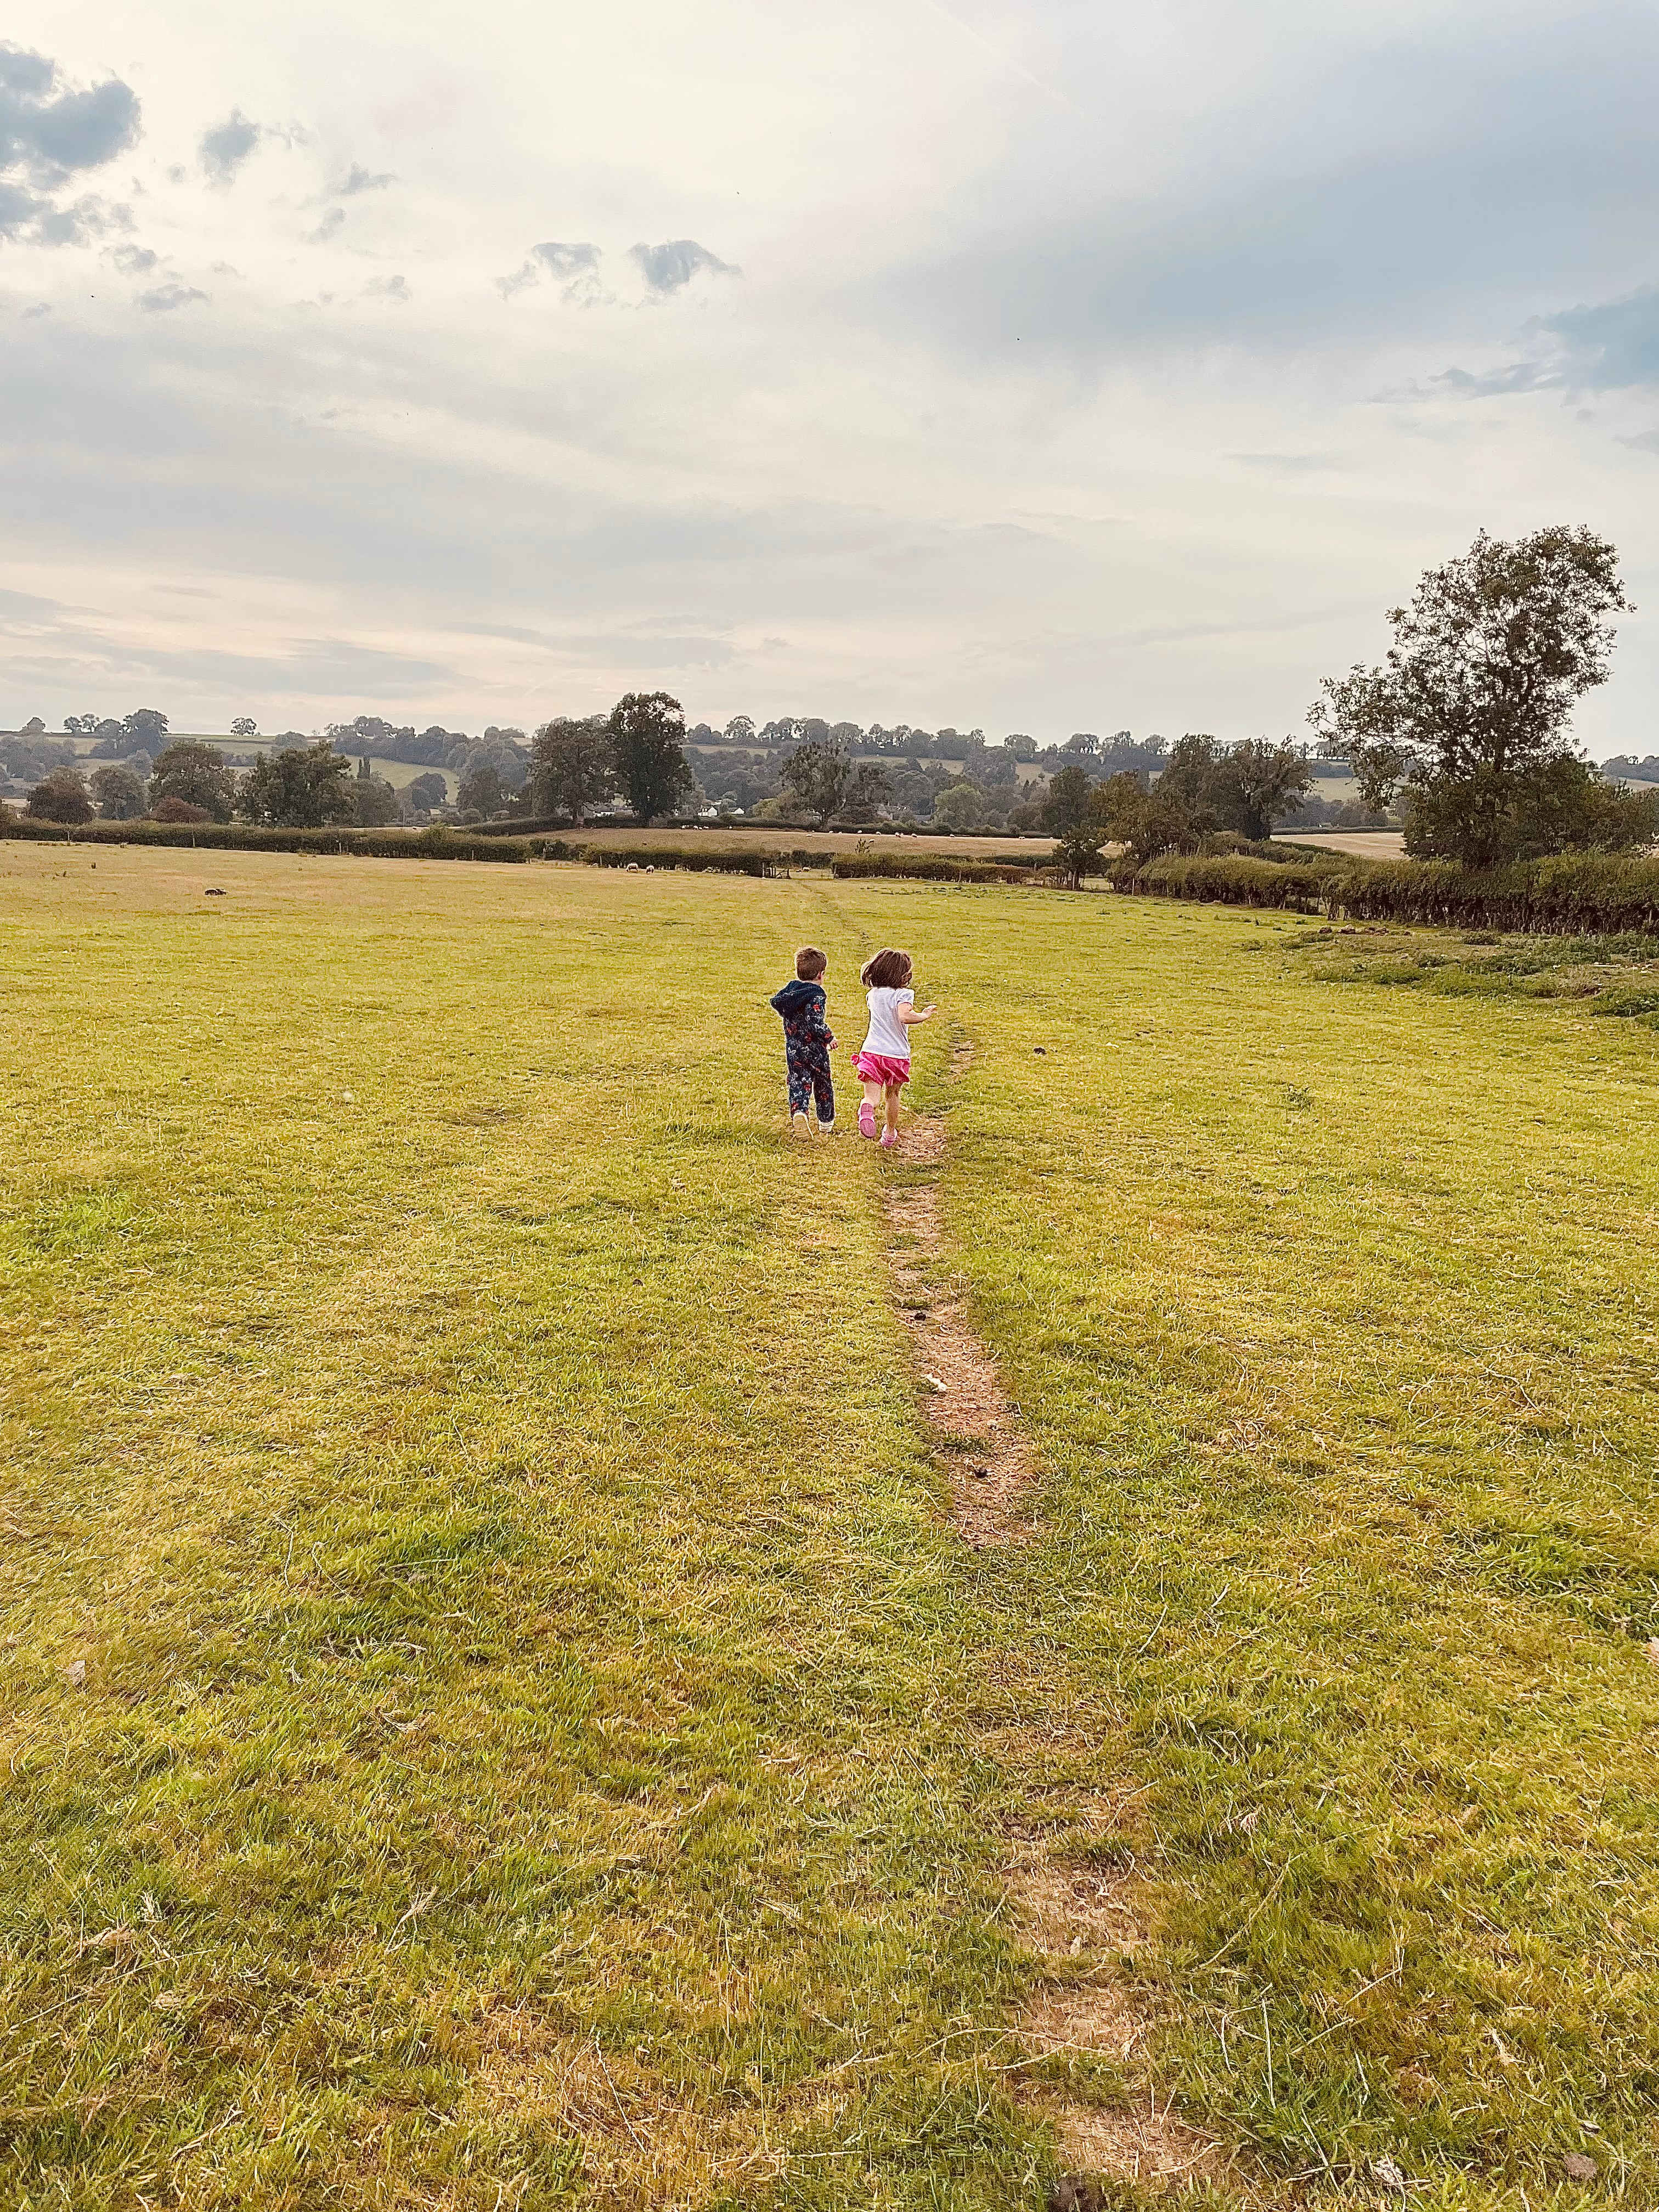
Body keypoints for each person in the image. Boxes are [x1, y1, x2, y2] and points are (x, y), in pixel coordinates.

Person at [853, 947, 934, 1147]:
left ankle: (867, 1107)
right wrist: (924, 1015)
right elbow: (904, 1016)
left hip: (871, 1052)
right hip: (895, 1055)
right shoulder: (904, 994)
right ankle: (889, 1134)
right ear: (901, 975)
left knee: (872, 1096)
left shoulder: (873, 995)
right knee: (892, 1095)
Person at [769, 946, 836, 1135]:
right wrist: (829, 1036)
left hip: (794, 1050)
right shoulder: (816, 994)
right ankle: (826, 1123)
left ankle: (800, 1112)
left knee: (798, 1081)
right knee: (823, 1083)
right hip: (815, 1050)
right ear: (821, 975)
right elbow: (813, 1020)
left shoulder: (789, 993)